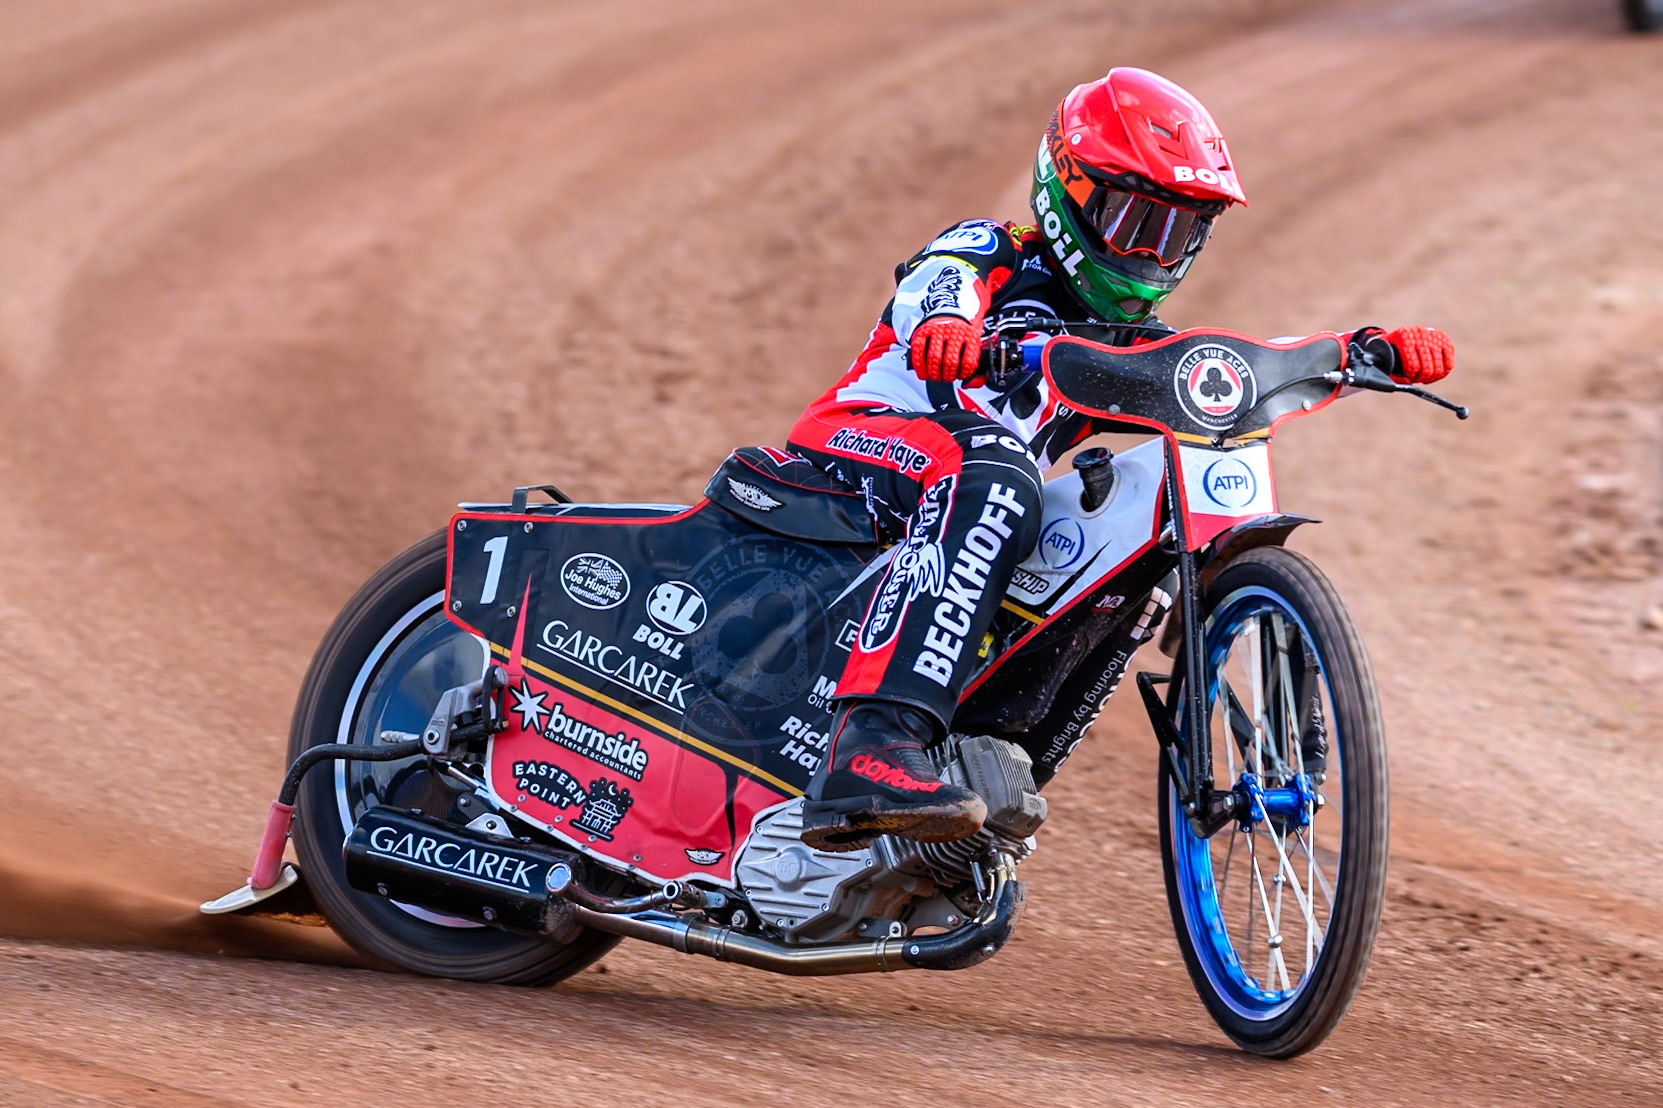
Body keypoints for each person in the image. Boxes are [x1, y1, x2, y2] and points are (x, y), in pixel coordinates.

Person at [788, 67, 1454, 852]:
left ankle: (991, 772)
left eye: (1176, 229)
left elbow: (1229, 373)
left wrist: (1361, 351)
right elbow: (942, 280)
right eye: (1134, 218)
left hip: (962, 497)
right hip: (861, 445)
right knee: (999, 473)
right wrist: (948, 324)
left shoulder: (1129, 340)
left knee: (1143, 520)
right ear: (1067, 190)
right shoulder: (994, 248)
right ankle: (868, 748)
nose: (1151, 250)